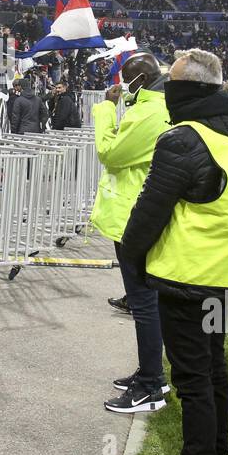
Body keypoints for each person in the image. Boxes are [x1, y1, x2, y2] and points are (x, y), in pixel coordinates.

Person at [121, 49, 228, 455]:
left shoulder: (185, 139)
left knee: (194, 383)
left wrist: (133, 258)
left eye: (172, 86)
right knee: (213, 373)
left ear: (186, 91)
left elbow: (147, 215)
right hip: (225, 274)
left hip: (188, 276)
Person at [90, 54, 172, 411]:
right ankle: (149, 374)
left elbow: (110, 152)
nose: (122, 87)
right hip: (140, 213)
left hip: (131, 217)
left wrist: (106, 109)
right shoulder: (160, 106)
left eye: (126, 80)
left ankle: (151, 385)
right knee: (146, 301)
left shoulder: (147, 113)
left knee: (143, 303)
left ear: (139, 80)